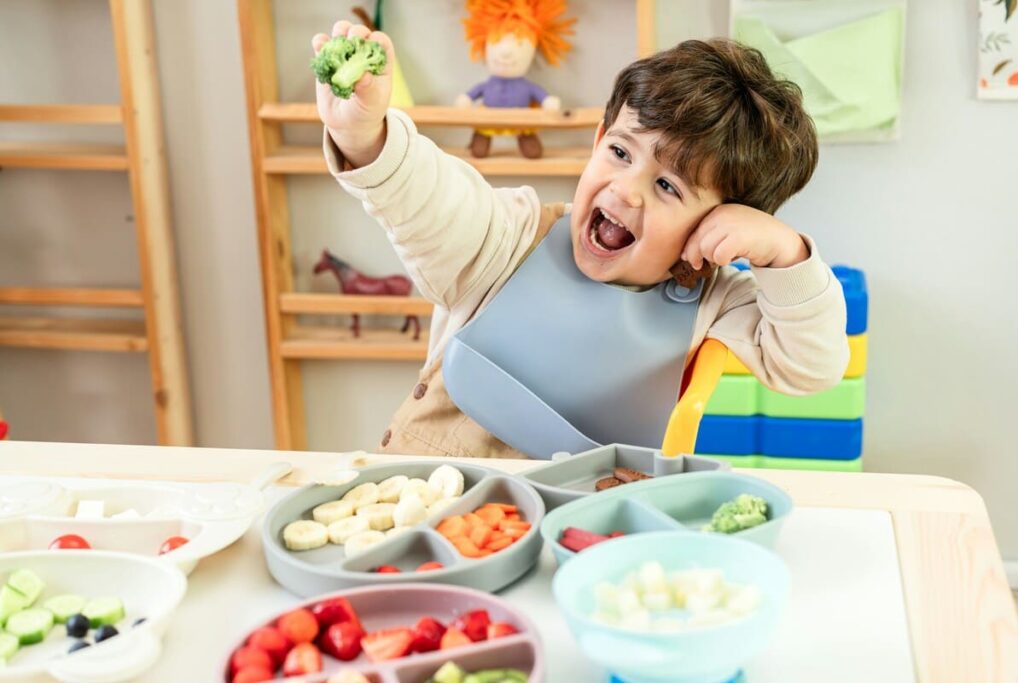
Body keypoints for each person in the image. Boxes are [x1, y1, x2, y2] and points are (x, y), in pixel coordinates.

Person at [312, 21, 849, 459]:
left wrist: (785, 256)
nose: (626, 191)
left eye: (667, 186)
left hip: (580, 543)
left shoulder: (718, 304)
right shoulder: (511, 235)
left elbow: (812, 366)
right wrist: (366, 138)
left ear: (724, 222)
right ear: (598, 138)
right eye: (620, 153)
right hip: (429, 512)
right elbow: (430, 199)